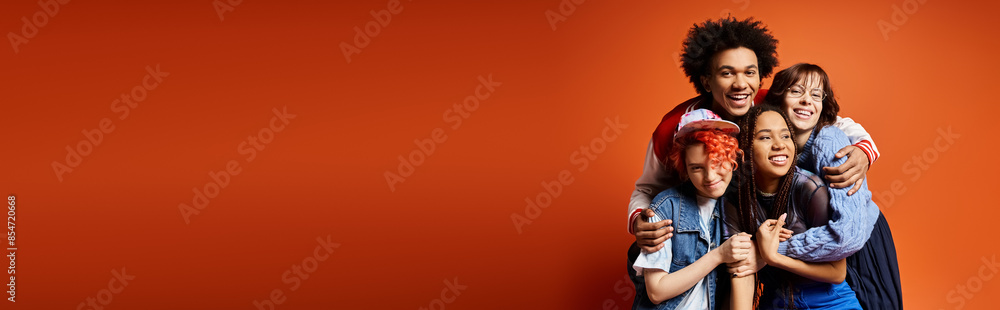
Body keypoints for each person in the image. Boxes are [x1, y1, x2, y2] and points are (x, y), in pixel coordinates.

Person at [627, 17, 880, 286]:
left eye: (749, 72)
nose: (740, 84)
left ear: (761, 77)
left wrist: (863, 151)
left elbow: (833, 120)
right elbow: (646, 189)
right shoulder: (673, 128)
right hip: (713, 232)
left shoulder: (770, 103)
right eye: (727, 73)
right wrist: (639, 220)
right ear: (706, 80)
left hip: (787, 227)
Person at [753, 63, 902, 309]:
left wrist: (771, 250)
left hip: (859, 246)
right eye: (796, 91)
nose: (806, 101)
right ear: (778, 99)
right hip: (820, 248)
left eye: (815, 95)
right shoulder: (780, 145)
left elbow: (847, 235)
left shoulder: (829, 142)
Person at [728, 105, 862, 309]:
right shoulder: (735, 199)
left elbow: (837, 272)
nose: (779, 145)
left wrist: (772, 257)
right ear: (744, 149)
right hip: (777, 301)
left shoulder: (810, 188)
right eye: (765, 138)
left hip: (829, 301)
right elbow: (741, 269)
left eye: (785, 136)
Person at [630, 109, 757, 310]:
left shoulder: (737, 207)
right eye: (697, 168)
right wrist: (719, 255)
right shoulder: (665, 208)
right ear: (685, 169)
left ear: (732, 158)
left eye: (716, 162)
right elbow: (656, 291)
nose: (709, 176)